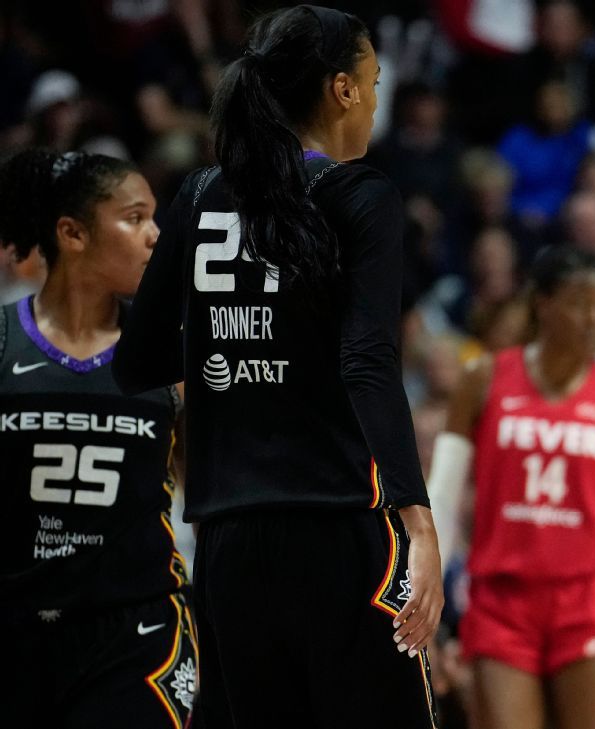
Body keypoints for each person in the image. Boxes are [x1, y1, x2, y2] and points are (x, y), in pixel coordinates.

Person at [112, 6, 442, 726]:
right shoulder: (360, 194)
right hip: (340, 531)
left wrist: (233, 345)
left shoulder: (200, 194)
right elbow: (368, 359)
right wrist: (420, 523)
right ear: (342, 90)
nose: (378, 97)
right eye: (374, 79)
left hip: (229, 543)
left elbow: (136, 358)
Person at [426, 246, 595, 729]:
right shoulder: (482, 379)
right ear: (542, 304)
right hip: (502, 601)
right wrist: (425, 605)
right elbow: (439, 498)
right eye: (580, 304)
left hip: (592, 599)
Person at [0, 149, 196, 727]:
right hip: (14, 628)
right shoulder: (3, 339)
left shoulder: (172, 349)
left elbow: (215, 486)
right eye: (135, 219)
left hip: (137, 630)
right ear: (73, 233)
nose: (154, 235)